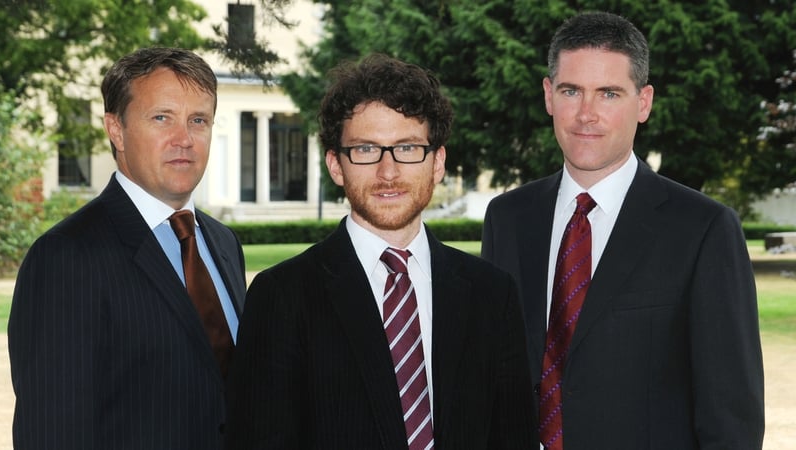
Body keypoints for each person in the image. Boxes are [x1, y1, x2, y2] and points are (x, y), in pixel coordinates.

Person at [481, 11, 765, 450]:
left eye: (609, 94)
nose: (586, 114)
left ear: (644, 102)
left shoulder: (704, 229)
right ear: (548, 95)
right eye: (571, 91)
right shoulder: (508, 218)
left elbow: (731, 417)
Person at [225, 53, 533, 449]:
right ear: (336, 165)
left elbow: (513, 438)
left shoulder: (493, 294)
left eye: (407, 148)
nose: (388, 172)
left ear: (437, 162)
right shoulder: (282, 296)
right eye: (366, 150)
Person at [8, 47, 247, 449]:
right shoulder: (66, 257)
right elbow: (52, 434)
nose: (184, 139)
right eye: (161, 118)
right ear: (115, 129)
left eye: (198, 120)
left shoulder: (224, 244)